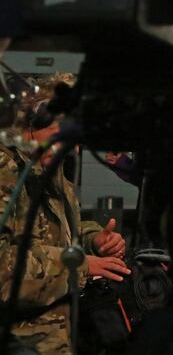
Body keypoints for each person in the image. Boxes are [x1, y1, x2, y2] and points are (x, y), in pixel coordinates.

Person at [0, 72, 131, 355]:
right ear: (35, 121)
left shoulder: (50, 170)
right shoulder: (5, 172)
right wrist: (80, 266)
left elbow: (60, 230)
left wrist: (94, 240)